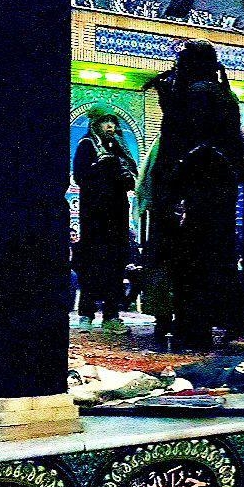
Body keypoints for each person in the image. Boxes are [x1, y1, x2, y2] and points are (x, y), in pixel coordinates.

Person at [141, 40, 244, 350]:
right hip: (216, 192)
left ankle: (193, 328)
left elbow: (182, 140)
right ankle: (205, 324)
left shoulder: (198, 94)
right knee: (211, 259)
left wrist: (170, 103)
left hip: (193, 191)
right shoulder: (224, 95)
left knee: (188, 262)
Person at [73, 103, 138, 335]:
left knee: (115, 264)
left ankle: (111, 315)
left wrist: (122, 175)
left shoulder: (120, 148)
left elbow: (132, 177)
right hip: (94, 216)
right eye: (105, 121)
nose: (110, 126)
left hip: (117, 215)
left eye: (112, 122)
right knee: (92, 263)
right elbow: (80, 177)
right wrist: (100, 168)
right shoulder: (87, 145)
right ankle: (86, 314)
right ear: (95, 124)